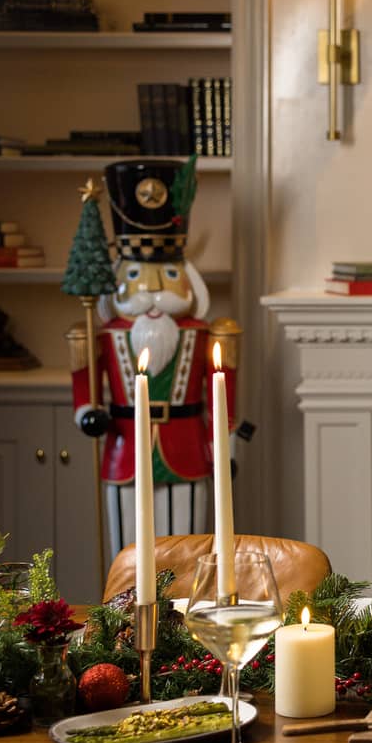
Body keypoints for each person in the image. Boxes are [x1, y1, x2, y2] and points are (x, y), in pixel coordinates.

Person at [69, 159, 239, 554]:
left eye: (167, 278)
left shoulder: (205, 333)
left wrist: (227, 446)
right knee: (127, 553)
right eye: (137, 278)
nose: (152, 292)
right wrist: (87, 414)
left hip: (189, 450)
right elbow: (85, 391)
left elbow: (223, 397)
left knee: (188, 549)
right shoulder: (102, 335)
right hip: (124, 450)